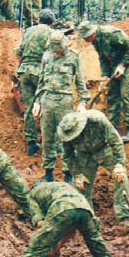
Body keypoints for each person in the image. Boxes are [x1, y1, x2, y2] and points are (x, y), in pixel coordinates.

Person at [10, 180, 114, 257]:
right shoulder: (62, 186)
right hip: (85, 208)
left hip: (62, 208)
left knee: (37, 246)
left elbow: (40, 223)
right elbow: (70, 230)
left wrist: (50, 245)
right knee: (95, 240)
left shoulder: (33, 194)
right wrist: (57, 246)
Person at [58, 110, 129, 226]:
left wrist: (119, 164)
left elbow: (116, 141)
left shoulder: (97, 120)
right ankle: (88, 221)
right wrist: (77, 174)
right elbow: (67, 156)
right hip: (84, 157)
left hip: (104, 149)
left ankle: (124, 216)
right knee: (81, 187)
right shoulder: (66, 134)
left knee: (121, 178)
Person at [33, 30, 89, 182]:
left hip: (65, 102)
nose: (57, 51)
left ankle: (68, 174)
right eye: (54, 48)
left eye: (59, 48)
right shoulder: (46, 56)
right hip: (47, 100)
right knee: (47, 139)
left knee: (67, 139)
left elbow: (81, 82)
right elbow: (41, 81)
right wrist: (37, 101)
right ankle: (48, 173)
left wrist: (82, 102)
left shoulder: (73, 57)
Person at [76, 21, 129, 142]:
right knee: (111, 94)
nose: (85, 40)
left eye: (86, 37)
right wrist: (105, 76)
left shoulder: (112, 34)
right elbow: (103, 58)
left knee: (126, 93)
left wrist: (123, 65)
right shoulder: (94, 41)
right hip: (113, 63)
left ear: (92, 33)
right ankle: (112, 127)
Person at [14, 9, 55, 156]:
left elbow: (18, 52)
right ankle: (48, 142)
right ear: (52, 23)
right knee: (45, 107)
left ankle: (31, 143)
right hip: (40, 73)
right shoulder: (51, 34)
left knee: (29, 107)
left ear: (39, 20)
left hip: (24, 72)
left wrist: (19, 69)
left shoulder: (28, 31)